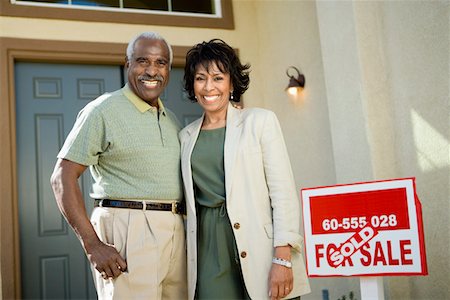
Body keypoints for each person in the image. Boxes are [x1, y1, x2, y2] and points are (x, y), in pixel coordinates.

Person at [50, 32, 187, 300]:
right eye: (142, 61)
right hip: (129, 229)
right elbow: (61, 178)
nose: (152, 70)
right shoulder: (103, 110)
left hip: (176, 231)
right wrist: (93, 245)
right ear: (127, 65)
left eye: (161, 63)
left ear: (169, 70)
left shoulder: (171, 119)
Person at [180, 39, 311, 300]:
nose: (209, 87)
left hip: (260, 243)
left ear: (231, 83)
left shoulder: (260, 121)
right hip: (208, 249)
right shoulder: (185, 136)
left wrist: (283, 257)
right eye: (200, 78)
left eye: (218, 77)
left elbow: (282, 192)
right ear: (192, 85)